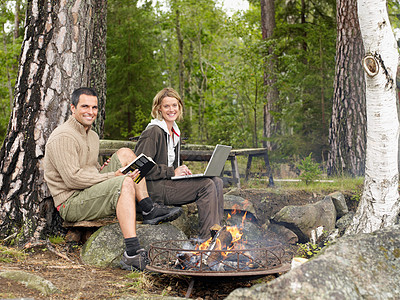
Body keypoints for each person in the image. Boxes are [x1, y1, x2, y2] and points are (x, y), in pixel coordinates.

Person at [43, 87, 182, 271]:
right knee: (124, 182)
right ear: (72, 108)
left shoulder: (91, 135)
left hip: (89, 190)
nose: (90, 112)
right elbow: (72, 179)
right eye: (85, 106)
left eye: (94, 108)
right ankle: (132, 253)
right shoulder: (64, 136)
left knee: (127, 154)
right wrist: (111, 176)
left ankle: (148, 208)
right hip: (71, 201)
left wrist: (104, 171)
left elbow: (88, 169)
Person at [134, 87, 224, 240]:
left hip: (167, 183)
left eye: (174, 105)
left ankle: (217, 232)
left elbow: (170, 165)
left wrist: (181, 170)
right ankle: (207, 239)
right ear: (159, 109)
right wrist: (172, 172)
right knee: (206, 185)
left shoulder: (174, 132)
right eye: (166, 106)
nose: (171, 109)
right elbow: (139, 168)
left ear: (179, 107)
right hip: (153, 189)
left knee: (217, 181)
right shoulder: (153, 132)